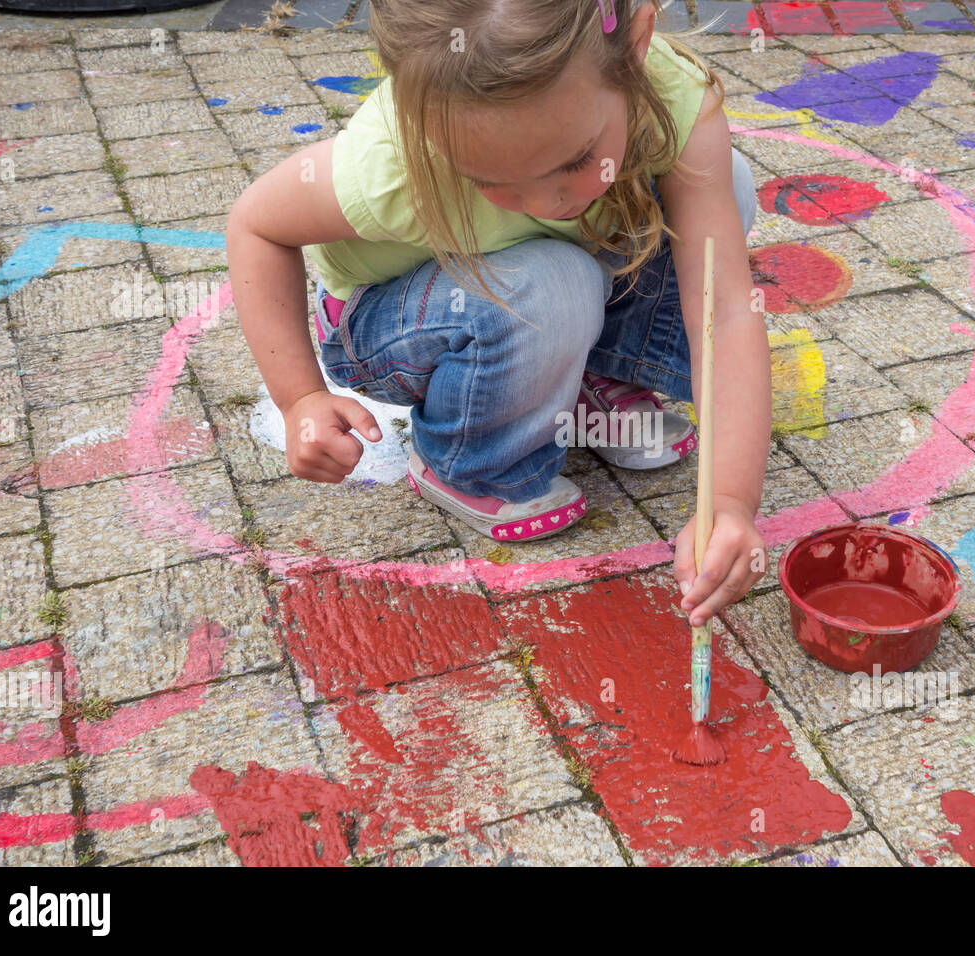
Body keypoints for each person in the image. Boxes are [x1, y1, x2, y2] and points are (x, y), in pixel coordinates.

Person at [226, 0, 771, 626]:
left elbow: (724, 308)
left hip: (530, 286)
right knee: (552, 283)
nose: (552, 199)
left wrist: (730, 501)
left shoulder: (671, 93)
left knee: (721, 184)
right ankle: (470, 462)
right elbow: (256, 226)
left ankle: (574, 378)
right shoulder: (387, 161)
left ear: (637, 43)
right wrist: (299, 399)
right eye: (492, 180)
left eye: (574, 159)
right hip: (394, 323)